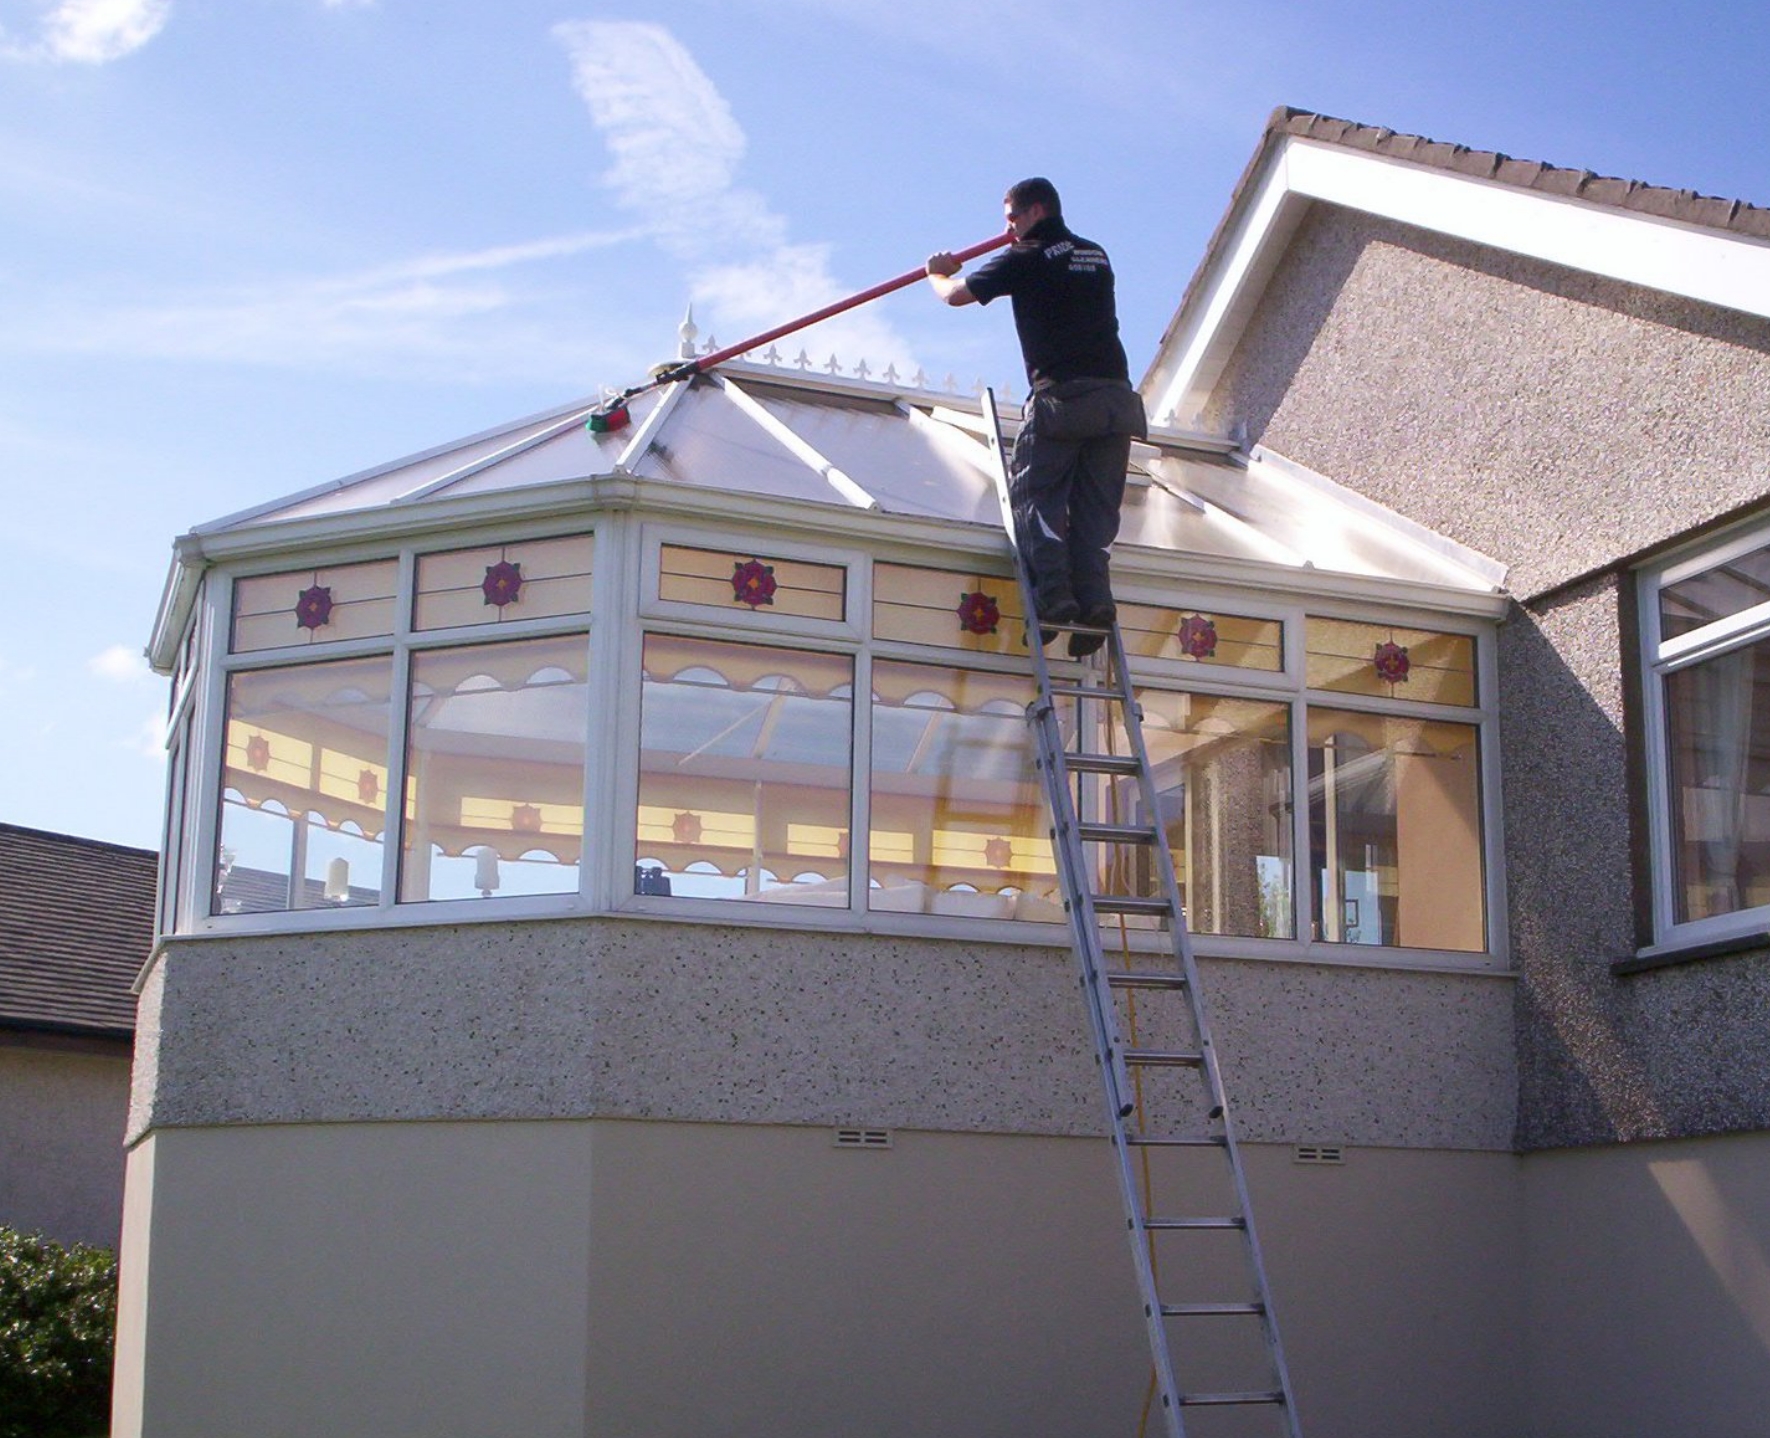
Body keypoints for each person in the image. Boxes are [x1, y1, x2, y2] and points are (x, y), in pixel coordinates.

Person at [926, 177, 1146, 656]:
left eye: (1011, 218)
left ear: (1035, 211)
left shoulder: (1026, 256)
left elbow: (955, 296)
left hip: (1063, 400)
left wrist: (937, 272)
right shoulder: (1096, 254)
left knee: (1035, 495)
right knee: (1094, 510)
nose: (1007, 229)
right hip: (1116, 402)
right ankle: (1096, 608)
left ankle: (1054, 601)